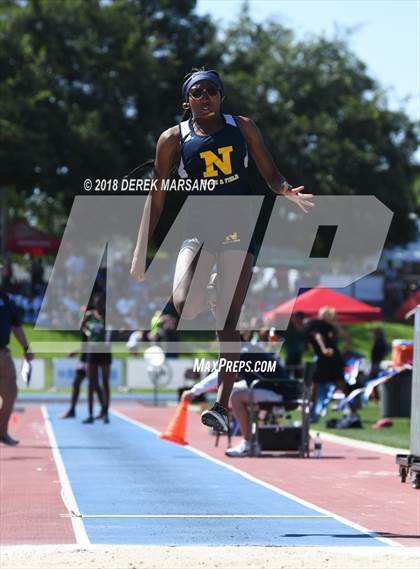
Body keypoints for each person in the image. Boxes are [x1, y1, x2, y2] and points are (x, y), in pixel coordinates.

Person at [130, 67, 313, 433]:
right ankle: (211, 291)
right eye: (197, 92)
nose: (204, 98)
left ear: (221, 96)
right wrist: (141, 251)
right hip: (197, 229)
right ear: (187, 100)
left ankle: (222, 405)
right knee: (184, 304)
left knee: (227, 323)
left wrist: (285, 190)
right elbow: (158, 197)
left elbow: (270, 174)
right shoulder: (172, 139)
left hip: (238, 230)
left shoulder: (243, 127)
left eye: (211, 91)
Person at [182, 343, 300, 457]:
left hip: (280, 393)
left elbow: (220, 374)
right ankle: (251, 439)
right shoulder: (247, 350)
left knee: (235, 396)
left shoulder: (241, 354)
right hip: (274, 389)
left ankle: (249, 444)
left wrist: (194, 391)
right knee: (233, 391)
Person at [0, 286, 34, 445]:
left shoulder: (6, 299)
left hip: (3, 354)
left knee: (10, 394)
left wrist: (26, 348)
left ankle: (2, 432)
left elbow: (16, 326)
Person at [82, 294, 111, 424]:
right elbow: (82, 326)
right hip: (92, 351)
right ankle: (90, 414)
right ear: (94, 303)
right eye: (97, 303)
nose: (99, 306)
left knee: (105, 383)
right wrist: (87, 333)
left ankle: (105, 412)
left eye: (101, 303)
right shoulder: (89, 315)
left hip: (104, 351)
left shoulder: (108, 316)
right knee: (91, 383)